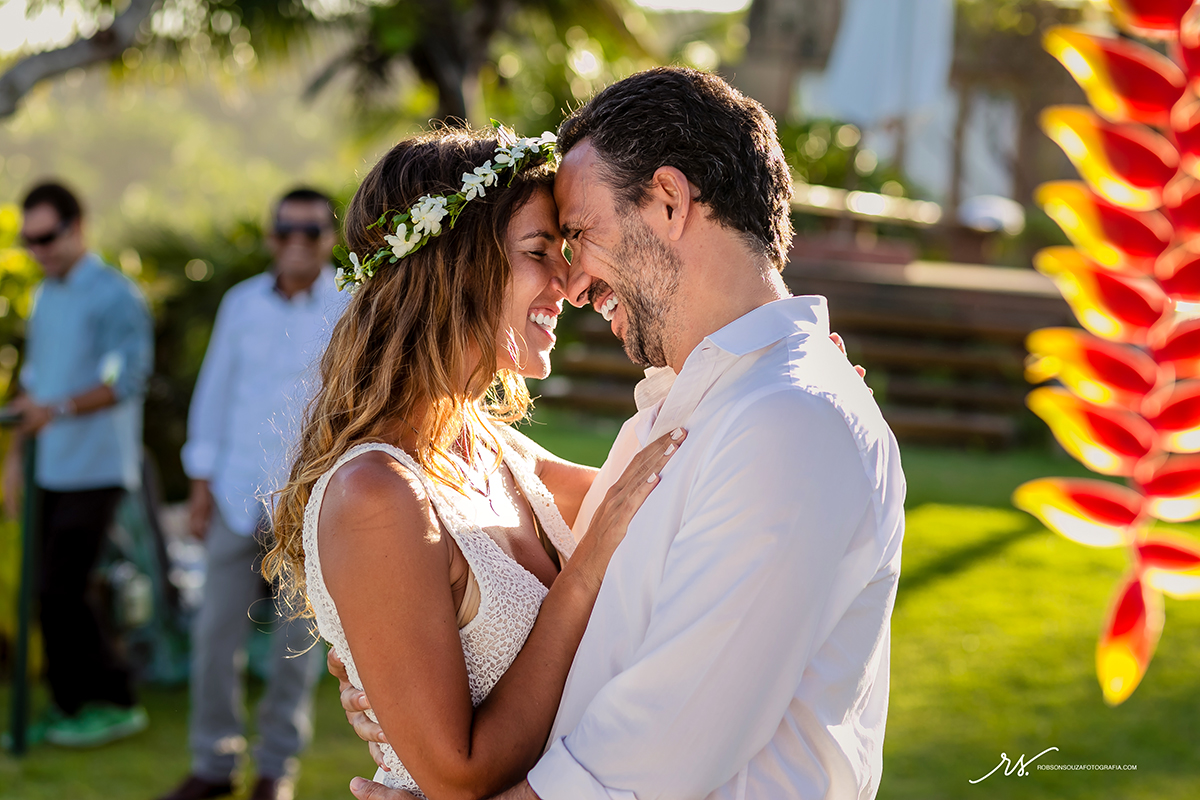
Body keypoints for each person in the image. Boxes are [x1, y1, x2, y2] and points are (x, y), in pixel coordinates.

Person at [342, 67, 906, 800]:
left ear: (669, 200)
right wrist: (400, 672)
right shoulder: (690, 413)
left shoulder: (789, 421)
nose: (573, 285)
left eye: (579, 235)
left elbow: (661, 741)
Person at [261, 127, 684, 799]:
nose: (568, 283)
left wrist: (778, 380)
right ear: (455, 267)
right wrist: (583, 574)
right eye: (539, 252)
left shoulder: (495, 452)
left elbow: (670, 490)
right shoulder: (374, 493)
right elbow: (458, 775)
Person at [156, 188, 348, 800]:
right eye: (286, 229)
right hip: (235, 492)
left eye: (311, 231)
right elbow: (215, 392)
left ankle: (275, 769)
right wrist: (201, 485)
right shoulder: (240, 303)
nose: (297, 241)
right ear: (271, 236)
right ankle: (213, 764)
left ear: (328, 238)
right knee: (214, 636)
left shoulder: (350, 301)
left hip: (306, 501)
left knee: (296, 646)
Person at [1, 181, 153, 747]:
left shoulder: (115, 295)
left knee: (61, 590)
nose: (38, 250)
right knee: (48, 593)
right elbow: (33, 389)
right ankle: (68, 706)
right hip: (49, 469)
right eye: (29, 241)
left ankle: (117, 701)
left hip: (98, 468)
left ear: (77, 226)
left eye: (47, 237)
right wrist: (14, 460)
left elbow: (123, 380)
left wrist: (57, 409)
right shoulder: (45, 296)